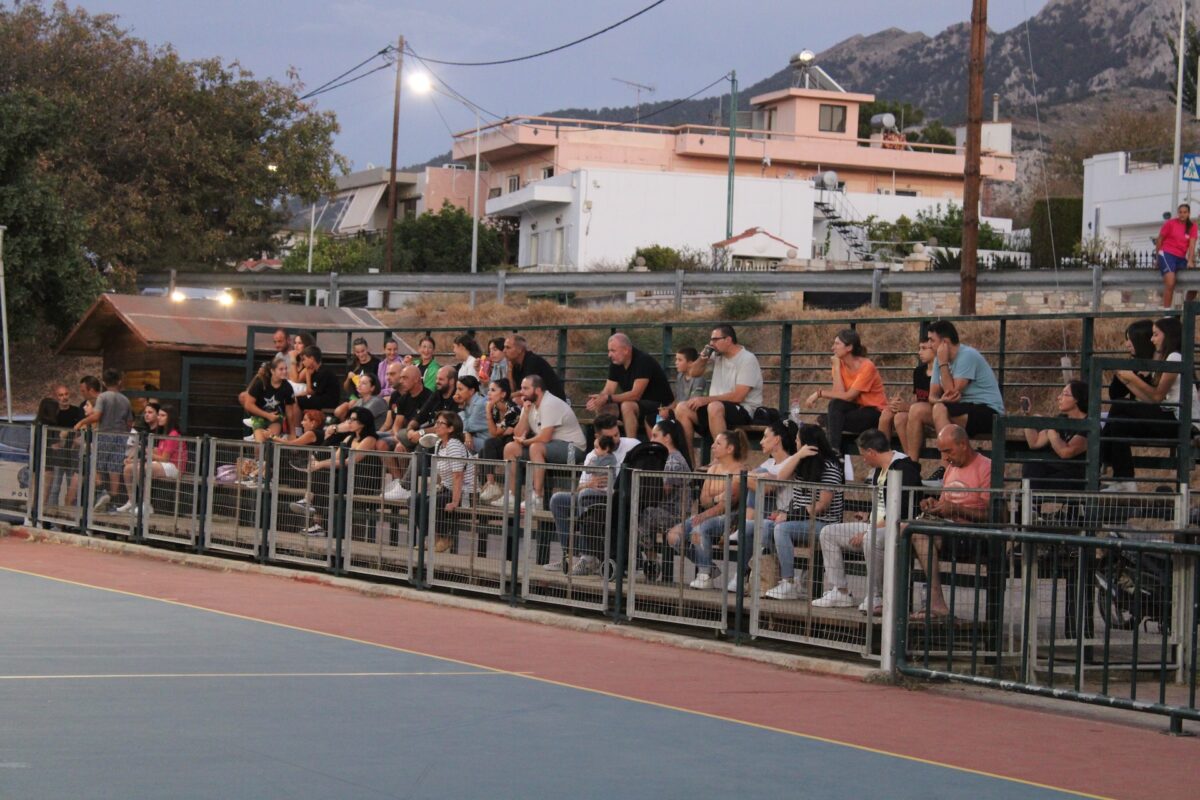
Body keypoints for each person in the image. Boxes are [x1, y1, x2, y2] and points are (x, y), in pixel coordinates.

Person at [809, 428, 924, 612]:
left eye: (863, 455)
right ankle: (840, 591)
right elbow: (882, 504)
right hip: (875, 525)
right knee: (828, 532)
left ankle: (877, 595)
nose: (863, 460)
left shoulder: (904, 468)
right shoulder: (878, 470)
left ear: (871, 452)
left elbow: (900, 512)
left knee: (871, 538)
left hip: (898, 528)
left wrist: (868, 530)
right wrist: (869, 517)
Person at [1103, 316, 1200, 490]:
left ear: (1168, 335)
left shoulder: (1175, 357)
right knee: (1119, 424)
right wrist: (1128, 382)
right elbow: (1151, 399)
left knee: (1119, 406)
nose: (1152, 339)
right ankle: (1125, 480)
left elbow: (1156, 396)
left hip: (1181, 421)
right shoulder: (1168, 358)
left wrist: (1132, 378)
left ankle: (1099, 460)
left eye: (1155, 334)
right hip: (1171, 416)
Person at [908, 425, 991, 620]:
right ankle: (889, 600)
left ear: (963, 444)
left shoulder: (986, 467)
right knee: (902, 530)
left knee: (919, 535)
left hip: (973, 534)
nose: (945, 458)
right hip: (948, 528)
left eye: (948, 451)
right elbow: (945, 503)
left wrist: (956, 509)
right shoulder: (951, 468)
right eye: (942, 452)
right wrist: (933, 505)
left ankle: (936, 601)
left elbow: (993, 514)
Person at [760, 424, 846, 600]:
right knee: (765, 526)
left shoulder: (829, 467)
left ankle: (789, 582)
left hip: (825, 524)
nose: (795, 442)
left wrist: (789, 516)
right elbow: (780, 477)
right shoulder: (802, 462)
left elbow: (821, 506)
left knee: (781, 529)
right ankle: (778, 575)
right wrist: (798, 455)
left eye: (798, 440)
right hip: (801, 520)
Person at [903, 320, 1004, 465]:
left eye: (932, 340)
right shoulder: (938, 359)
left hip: (988, 412)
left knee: (939, 409)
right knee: (916, 410)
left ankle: (946, 467)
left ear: (945, 342)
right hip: (961, 409)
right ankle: (911, 467)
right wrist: (940, 400)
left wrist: (943, 363)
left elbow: (951, 392)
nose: (930, 344)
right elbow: (932, 396)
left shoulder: (967, 356)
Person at [666, 428, 749, 590]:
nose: (712, 446)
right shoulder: (713, 469)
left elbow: (727, 504)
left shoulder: (740, 471)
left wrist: (706, 511)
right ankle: (708, 566)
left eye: (718, 443)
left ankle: (704, 574)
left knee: (698, 529)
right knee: (673, 536)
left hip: (731, 518)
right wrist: (717, 498)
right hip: (709, 515)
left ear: (730, 448)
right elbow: (704, 499)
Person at [673, 324, 763, 465]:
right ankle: (688, 462)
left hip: (744, 409)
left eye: (715, 339)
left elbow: (738, 396)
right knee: (682, 408)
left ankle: (719, 461)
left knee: (714, 406)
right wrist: (703, 358)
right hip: (716, 408)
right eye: (711, 339)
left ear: (728, 340)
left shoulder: (747, 359)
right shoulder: (717, 355)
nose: (711, 343)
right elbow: (693, 372)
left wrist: (706, 400)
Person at [494, 374, 586, 510]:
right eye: (521, 388)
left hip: (573, 449)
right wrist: (525, 413)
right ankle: (512, 495)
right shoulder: (530, 404)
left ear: (537, 390)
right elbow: (517, 434)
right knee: (510, 448)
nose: (521, 392)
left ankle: (537, 497)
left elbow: (545, 437)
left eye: (525, 388)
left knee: (535, 447)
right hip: (549, 447)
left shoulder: (549, 403)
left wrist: (525, 442)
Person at [291, 406, 378, 536]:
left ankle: (310, 505)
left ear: (363, 422)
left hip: (360, 480)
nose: (349, 422)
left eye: (353, 419)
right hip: (344, 477)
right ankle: (315, 517)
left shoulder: (369, 439)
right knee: (321, 474)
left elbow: (349, 461)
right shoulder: (349, 438)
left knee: (323, 473)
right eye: (349, 419)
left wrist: (321, 464)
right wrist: (318, 462)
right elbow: (336, 458)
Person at [804, 328, 887, 453]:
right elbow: (839, 395)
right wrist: (837, 368)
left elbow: (849, 396)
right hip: (856, 408)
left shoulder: (866, 366)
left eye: (837, 344)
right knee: (835, 405)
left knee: (831, 420)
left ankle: (831, 445)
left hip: (874, 412)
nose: (833, 348)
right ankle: (834, 450)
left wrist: (819, 393)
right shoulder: (839, 364)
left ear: (849, 347)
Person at [548, 432, 619, 576]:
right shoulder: (592, 456)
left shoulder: (609, 459)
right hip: (586, 492)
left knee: (584, 496)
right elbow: (579, 487)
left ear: (606, 448)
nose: (594, 450)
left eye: (597, 447)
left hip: (603, 498)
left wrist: (588, 486)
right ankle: (569, 554)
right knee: (557, 499)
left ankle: (587, 558)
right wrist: (588, 484)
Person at [587, 333, 674, 439]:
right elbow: (608, 390)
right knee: (604, 406)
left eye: (613, 351)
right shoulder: (616, 363)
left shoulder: (643, 361)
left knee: (627, 405)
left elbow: (636, 395)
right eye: (609, 351)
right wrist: (599, 399)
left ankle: (631, 444)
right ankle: (606, 443)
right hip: (638, 406)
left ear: (626, 350)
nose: (609, 355)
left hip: (660, 406)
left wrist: (608, 398)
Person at [76, 368, 133, 512]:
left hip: (104, 434)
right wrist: (124, 433)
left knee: (97, 465)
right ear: (119, 381)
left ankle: (102, 491)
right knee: (114, 469)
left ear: (104, 383)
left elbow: (97, 416)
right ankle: (112, 500)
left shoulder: (103, 397)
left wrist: (82, 422)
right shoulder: (125, 400)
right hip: (121, 437)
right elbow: (129, 423)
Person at [116, 406, 187, 515]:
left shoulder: (173, 434)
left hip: (174, 466)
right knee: (128, 468)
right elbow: (157, 452)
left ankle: (146, 504)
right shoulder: (165, 433)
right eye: (159, 415)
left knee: (141, 469)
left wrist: (147, 455)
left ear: (170, 418)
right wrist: (137, 458)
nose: (159, 417)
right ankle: (131, 501)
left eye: (163, 415)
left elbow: (165, 458)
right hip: (162, 464)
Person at [1019, 381, 1089, 491]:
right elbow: (1034, 443)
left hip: (1078, 477)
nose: (1059, 397)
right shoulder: (1062, 419)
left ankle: (1028, 500)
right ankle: (1027, 500)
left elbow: (1065, 452)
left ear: (1077, 399)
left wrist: (1052, 433)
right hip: (1059, 471)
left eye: (1065, 394)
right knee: (1032, 465)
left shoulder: (1088, 423)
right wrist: (1027, 415)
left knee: (1039, 481)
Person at [378, 365, 432, 500]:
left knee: (399, 447)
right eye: (401, 377)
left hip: (423, 436)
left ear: (416, 379)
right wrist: (399, 438)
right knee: (381, 443)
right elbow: (396, 425)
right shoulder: (402, 399)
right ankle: (399, 482)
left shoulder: (429, 397)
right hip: (406, 435)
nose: (401, 381)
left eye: (405, 378)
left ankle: (405, 487)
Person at [430, 410, 476, 553]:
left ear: (451, 428)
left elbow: (458, 475)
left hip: (465, 493)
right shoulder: (439, 444)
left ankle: (445, 539)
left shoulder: (454, 445)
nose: (436, 425)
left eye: (441, 423)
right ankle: (433, 539)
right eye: (436, 422)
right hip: (447, 489)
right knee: (417, 500)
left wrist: (455, 501)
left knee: (436, 501)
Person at [883, 339, 934, 451]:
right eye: (919, 348)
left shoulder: (941, 372)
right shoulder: (919, 371)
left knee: (911, 412)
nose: (919, 352)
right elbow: (917, 399)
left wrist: (907, 407)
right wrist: (899, 404)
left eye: (924, 348)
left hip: (933, 416)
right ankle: (909, 457)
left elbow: (937, 405)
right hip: (917, 413)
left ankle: (911, 458)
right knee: (898, 417)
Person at [477, 378, 521, 503]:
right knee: (482, 451)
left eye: (493, 390)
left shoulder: (512, 410)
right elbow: (496, 432)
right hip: (503, 441)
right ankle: (488, 486)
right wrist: (502, 431)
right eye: (488, 390)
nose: (489, 393)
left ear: (503, 394)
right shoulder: (496, 408)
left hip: (514, 446)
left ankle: (491, 484)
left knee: (489, 443)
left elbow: (494, 432)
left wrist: (487, 412)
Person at [1154, 202, 1198, 308]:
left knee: (1196, 281)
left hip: (1180, 258)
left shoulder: (1193, 227)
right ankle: (1167, 313)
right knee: (1170, 282)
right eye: (1180, 212)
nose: (1182, 214)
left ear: (1189, 213)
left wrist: (1190, 260)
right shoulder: (1170, 223)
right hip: (1166, 254)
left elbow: (1192, 245)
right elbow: (1159, 240)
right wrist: (1157, 259)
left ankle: (1186, 308)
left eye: (1185, 212)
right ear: (1178, 213)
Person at [242, 359, 296, 442]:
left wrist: (292, 433)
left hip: (276, 417)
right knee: (260, 444)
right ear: (272, 371)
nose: (285, 371)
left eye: (286, 369)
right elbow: (248, 405)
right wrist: (267, 415)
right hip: (259, 416)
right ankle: (255, 435)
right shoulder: (261, 382)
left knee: (271, 441)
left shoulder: (287, 387)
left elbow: (290, 412)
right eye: (281, 369)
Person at [325, 373, 386, 445]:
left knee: (336, 434)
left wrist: (335, 428)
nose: (359, 385)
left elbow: (357, 423)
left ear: (372, 388)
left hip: (369, 436)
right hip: (356, 432)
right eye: (359, 382)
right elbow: (349, 421)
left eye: (363, 383)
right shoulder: (359, 401)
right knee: (332, 433)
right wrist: (333, 428)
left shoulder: (377, 402)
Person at [504, 335, 564, 401]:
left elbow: (527, 390)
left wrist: (506, 396)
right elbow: (513, 390)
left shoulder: (532, 361)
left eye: (508, 348)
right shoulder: (515, 363)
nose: (504, 351)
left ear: (519, 350)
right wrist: (510, 370)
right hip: (536, 399)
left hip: (552, 400)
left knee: (515, 400)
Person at [294, 346, 340, 413]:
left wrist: (308, 374)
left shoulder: (324, 372)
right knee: (293, 399)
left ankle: (295, 420)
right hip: (319, 398)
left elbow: (310, 392)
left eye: (304, 359)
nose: (303, 363)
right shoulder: (315, 371)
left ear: (312, 359)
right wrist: (294, 395)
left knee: (296, 400)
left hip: (328, 401)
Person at [663, 347, 706, 417]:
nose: (676, 363)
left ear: (690, 363)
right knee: (651, 417)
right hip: (678, 410)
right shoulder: (680, 376)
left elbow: (693, 404)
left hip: (693, 413)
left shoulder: (698, 379)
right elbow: (678, 399)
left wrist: (670, 412)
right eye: (676, 359)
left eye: (679, 360)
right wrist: (667, 408)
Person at [454, 375, 489, 453]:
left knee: (454, 439)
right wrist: (467, 433)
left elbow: (468, 427)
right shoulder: (466, 402)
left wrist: (460, 408)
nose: (457, 393)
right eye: (457, 389)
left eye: (460, 389)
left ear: (471, 391)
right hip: (474, 438)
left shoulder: (479, 404)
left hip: (486, 442)